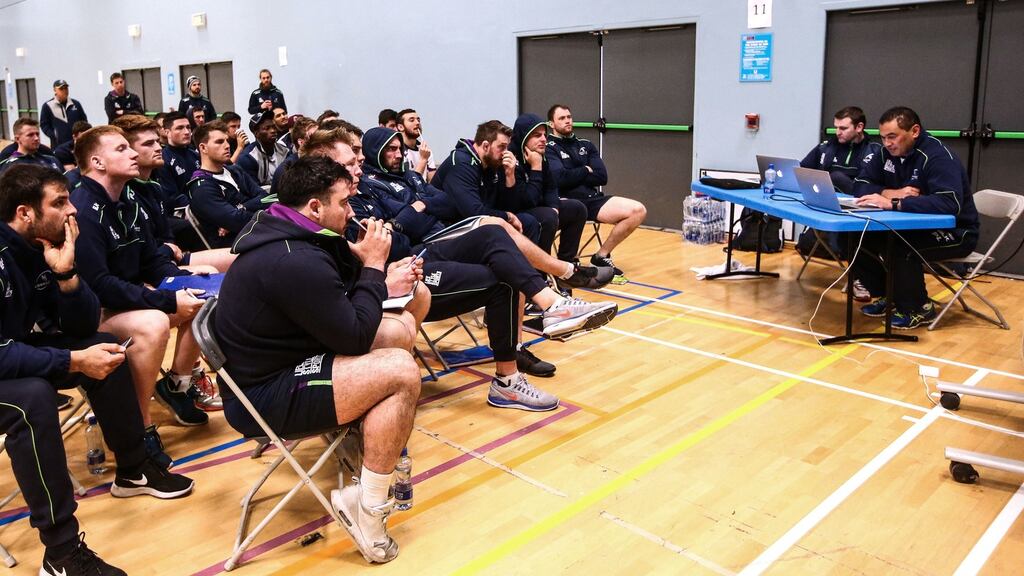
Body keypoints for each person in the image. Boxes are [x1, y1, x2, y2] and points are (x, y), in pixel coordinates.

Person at [214, 155, 424, 563]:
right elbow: (355, 335)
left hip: (282, 361)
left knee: (394, 334)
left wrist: (368, 269)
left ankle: (366, 458)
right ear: (315, 207)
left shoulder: (290, 231)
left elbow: (344, 306)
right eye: (345, 203)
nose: (352, 210)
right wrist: (375, 267)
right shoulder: (293, 258)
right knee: (399, 371)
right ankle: (368, 506)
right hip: (263, 395)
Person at [0, 163, 196, 576]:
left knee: (100, 348)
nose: (72, 211)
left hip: (10, 350)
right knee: (32, 397)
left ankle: (133, 467)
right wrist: (70, 361)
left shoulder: (41, 247)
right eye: (60, 203)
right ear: (24, 213)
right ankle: (62, 554)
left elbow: (81, 326)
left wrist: (68, 276)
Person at [347, 127, 618, 389]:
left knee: (514, 234)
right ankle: (561, 282)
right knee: (497, 230)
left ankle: (550, 307)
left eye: (398, 148)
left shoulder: (410, 176)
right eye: (390, 149)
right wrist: (418, 210)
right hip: (417, 253)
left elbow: (447, 203)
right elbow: (398, 239)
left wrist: (420, 208)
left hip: (434, 238)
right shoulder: (369, 189)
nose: (397, 153)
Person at [71, 126, 218, 464]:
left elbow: (151, 259)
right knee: (153, 323)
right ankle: (139, 427)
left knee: (200, 299)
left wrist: (183, 281)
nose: (134, 154)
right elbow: (100, 284)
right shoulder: (82, 209)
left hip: (127, 297)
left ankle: (177, 385)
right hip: (95, 310)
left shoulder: (128, 199)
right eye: (122, 149)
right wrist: (166, 300)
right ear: (97, 162)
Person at [851, 106, 980, 329]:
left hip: (958, 231)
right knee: (856, 238)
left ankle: (918, 308)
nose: (887, 143)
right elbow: (859, 185)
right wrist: (889, 193)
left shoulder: (938, 157)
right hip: (910, 226)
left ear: (915, 131)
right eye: (883, 138)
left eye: (892, 137)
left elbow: (950, 204)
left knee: (902, 246)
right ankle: (890, 296)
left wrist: (895, 204)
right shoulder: (885, 153)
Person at [546, 103, 647, 282]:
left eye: (569, 117)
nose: (567, 121)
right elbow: (560, 178)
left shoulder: (586, 145)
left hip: (592, 200)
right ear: (551, 124)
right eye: (561, 118)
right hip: (567, 203)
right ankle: (566, 265)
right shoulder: (549, 146)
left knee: (638, 210)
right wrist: (586, 170)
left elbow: (601, 177)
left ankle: (601, 256)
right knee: (574, 208)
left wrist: (574, 174)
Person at [509, 113, 588, 267]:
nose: (544, 139)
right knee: (548, 217)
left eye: (544, 135)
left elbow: (551, 187)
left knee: (577, 209)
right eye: (537, 136)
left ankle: (566, 267)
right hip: (518, 212)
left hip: (540, 207)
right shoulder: (511, 159)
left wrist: (554, 205)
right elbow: (527, 200)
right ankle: (542, 273)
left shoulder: (539, 155)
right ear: (524, 137)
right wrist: (536, 167)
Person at [187, 121, 268, 247]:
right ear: (203, 148)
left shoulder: (235, 170)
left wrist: (241, 208)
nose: (227, 145)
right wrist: (265, 210)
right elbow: (237, 221)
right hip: (234, 245)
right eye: (219, 142)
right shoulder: (201, 187)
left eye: (227, 140)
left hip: (256, 233)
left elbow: (269, 197)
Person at [801, 106, 880, 194]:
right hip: (824, 198)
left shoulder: (875, 152)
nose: (838, 132)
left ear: (859, 127)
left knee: (837, 177)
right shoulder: (825, 147)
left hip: (857, 202)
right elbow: (801, 171)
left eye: (843, 128)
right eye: (836, 128)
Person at [237, 111, 288, 186]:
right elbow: (253, 190)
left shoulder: (285, 151)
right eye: (267, 128)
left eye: (274, 127)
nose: (273, 131)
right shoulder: (248, 157)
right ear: (256, 133)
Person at [160, 111, 200, 204]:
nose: (187, 132)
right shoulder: (163, 160)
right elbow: (172, 197)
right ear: (167, 132)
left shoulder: (196, 155)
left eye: (188, 127)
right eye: (180, 128)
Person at [39, 80, 88, 148]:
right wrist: (54, 135)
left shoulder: (76, 104)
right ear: (55, 90)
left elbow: (84, 121)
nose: (65, 90)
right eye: (61, 89)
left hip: (77, 143)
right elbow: (44, 124)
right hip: (58, 145)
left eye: (66, 88)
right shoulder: (47, 106)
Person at [396, 108, 436, 181]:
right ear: (400, 127)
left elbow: (432, 181)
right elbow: (411, 184)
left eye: (418, 120)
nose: (417, 123)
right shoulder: (397, 151)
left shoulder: (425, 150)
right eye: (412, 120)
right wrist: (423, 160)